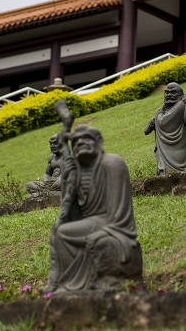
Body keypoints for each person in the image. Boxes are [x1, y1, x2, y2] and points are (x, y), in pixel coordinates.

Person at [46, 124, 142, 292]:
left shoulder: (112, 163)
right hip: (91, 221)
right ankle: (69, 284)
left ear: (99, 142)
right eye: (76, 142)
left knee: (64, 234)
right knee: (60, 231)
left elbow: (119, 212)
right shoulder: (77, 171)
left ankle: (74, 284)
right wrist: (70, 180)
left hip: (112, 224)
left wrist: (106, 231)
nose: (80, 143)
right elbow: (72, 209)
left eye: (86, 139)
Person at [144, 83, 186, 174]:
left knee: (178, 174)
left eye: (173, 92)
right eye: (167, 92)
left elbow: (165, 119)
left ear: (180, 95)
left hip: (178, 153)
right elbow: (146, 130)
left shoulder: (181, 107)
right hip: (163, 155)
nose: (169, 95)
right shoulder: (160, 112)